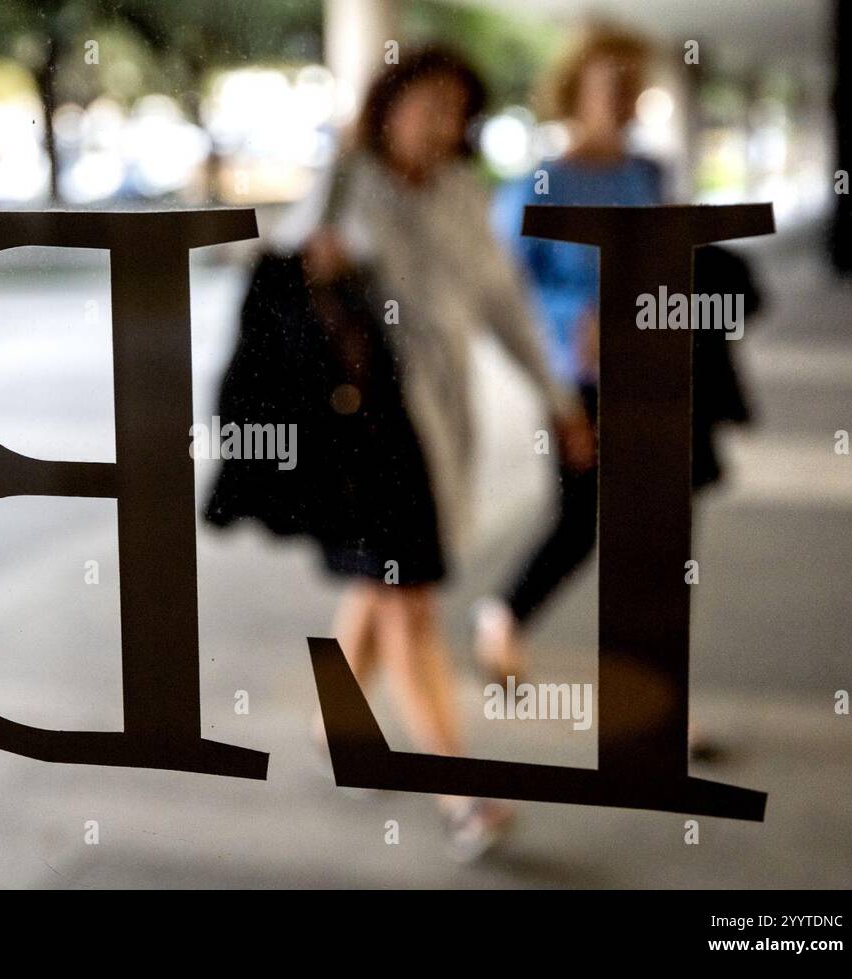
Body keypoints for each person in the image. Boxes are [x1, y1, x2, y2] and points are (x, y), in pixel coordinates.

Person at [208, 47, 591, 858]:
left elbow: (503, 304)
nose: (438, 123)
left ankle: (333, 725)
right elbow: (279, 270)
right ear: (387, 108)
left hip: (439, 425)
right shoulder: (348, 181)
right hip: (364, 429)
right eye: (423, 104)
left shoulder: (461, 195)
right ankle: (460, 793)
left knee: (384, 586)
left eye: (455, 109)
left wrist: (559, 401)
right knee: (408, 599)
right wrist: (324, 255)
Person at [476, 27, 758, 705]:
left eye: (636, 86)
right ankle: (505, 615)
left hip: (661, 369)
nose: (629, 100)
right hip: (586, 382)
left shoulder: (648, 172)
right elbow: (503, 292)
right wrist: (573, 325)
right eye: (616, 86)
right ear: (578, 91)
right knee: (582, 522)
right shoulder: (539, 185)